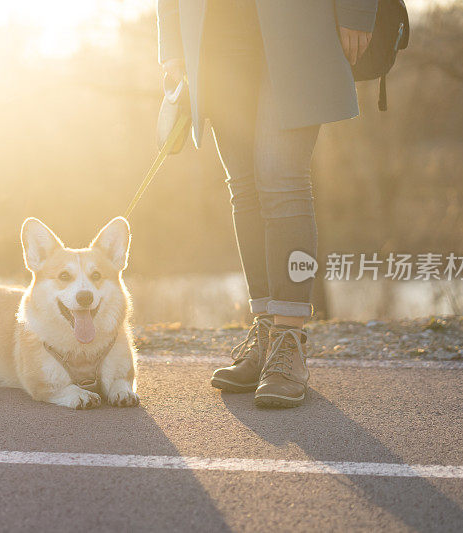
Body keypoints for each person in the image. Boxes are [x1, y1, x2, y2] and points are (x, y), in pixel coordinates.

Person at [156, 0, 376, 407]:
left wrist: (358, 11)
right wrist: (171, 40)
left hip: (299, 27)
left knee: (282, 180)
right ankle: (265, 332)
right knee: (245, 188)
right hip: (216, 39)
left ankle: (289, 339)